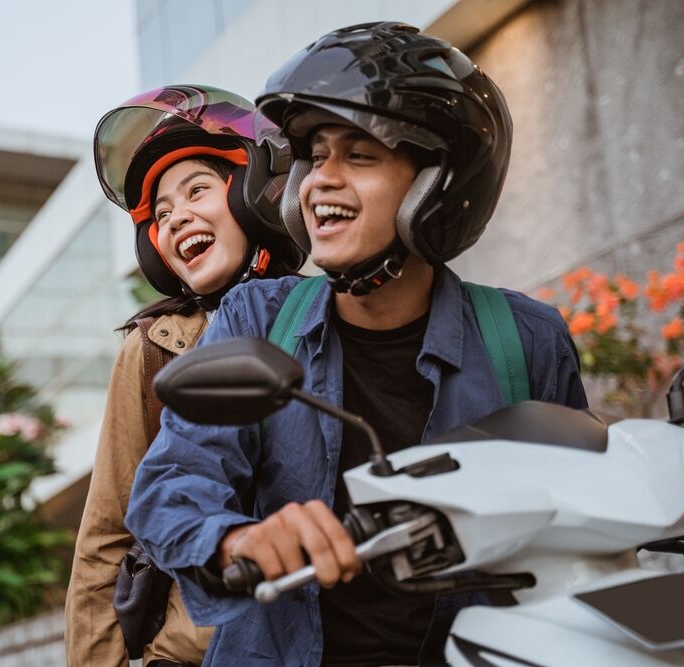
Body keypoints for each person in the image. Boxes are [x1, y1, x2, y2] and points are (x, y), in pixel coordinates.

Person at [126, 23, 589, 667]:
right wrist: (241, 540)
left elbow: (582, 514)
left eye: (361, 154)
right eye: (315, 155)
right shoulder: (258, 318)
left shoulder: (526, 338)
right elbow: (174, 482)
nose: (320, 181)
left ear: (439, 182)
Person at [64, 85, 306, 667]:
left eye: (197, 190)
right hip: (194, 652)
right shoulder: (152, 350)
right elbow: (105, 538)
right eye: (162, 213)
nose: (177, 220)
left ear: (255, 193)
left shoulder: (331, 314)